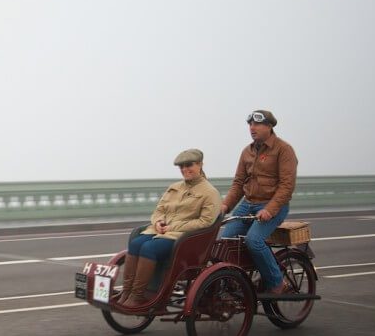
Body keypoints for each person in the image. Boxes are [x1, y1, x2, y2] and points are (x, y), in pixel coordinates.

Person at [119, 149, 222, 308]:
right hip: (162, 231)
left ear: (200, 165)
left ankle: (137, 295)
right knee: (135, 243)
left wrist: (172, 227)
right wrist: (158, 222)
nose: (184, 169)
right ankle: (126, 292)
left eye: (189, 165)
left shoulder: (210, 192)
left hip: (184, 238)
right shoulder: (174, 187)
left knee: (149, 248)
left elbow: (206, 222)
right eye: (181, 166)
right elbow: (159, 209)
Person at [220, 109, 298, 293]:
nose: (252, 128)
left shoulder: (283, 149)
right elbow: (238, 183)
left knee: (253, 240)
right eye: (250, 124)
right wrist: (225, 205)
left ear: (269, 126)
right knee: (225, 241)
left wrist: (269, 210)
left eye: (256, 124)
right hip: (248, 204)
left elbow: (287, 186)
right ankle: (237, 279)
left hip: (272, 205)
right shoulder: (247, 151)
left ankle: (278, 283)